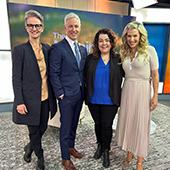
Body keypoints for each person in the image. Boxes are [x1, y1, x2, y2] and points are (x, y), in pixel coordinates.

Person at [12, 10, 57, 170]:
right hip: (29, 100)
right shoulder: (20, 50)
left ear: (42, 28)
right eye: (31, 25)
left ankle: (29, 147)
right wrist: (19, 101)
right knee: (33, 130)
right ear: (26, 27)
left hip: (45, 98)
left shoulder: (47, 49)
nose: (34, 28)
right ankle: (40, 156)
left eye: (37, 25)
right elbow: (16, 78)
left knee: (43, 127)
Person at [115, 21, 159, 170]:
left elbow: (155, 74)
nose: (131, 39)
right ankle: (129, 151)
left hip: (142, 91)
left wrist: (155, 96)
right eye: (129, 36)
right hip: (127, 89)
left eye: (135, 36)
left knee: (140, 124)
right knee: (129, 122)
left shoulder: (150, 50)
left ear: (141, 36)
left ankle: (140, 160)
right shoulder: (125, 51)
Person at [49, 12, 88, 170]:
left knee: (73, 124)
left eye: (76, 26)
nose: (73, 29)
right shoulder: (57, 48)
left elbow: (83, 72)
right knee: (65, 127)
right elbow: (53, 73)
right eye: (70, 26)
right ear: (65, 28)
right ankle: (65, 158)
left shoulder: (82, 49)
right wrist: (60, 94)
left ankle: (71, 147)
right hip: (66, 96)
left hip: (79, 94)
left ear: (80, 28)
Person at [84, 28, 124, 168]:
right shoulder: (90, 59)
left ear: (112, 43)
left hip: (111, 100)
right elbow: (82, 76)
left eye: (107, 40)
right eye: (100, 41)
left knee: (106, 125)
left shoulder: (118, 59)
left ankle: (106, 150)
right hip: (93, 99)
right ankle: (99, 146)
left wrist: (144, 78)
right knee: (98, 124)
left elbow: (130, 74)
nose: (104, 43)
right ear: (97, 43)